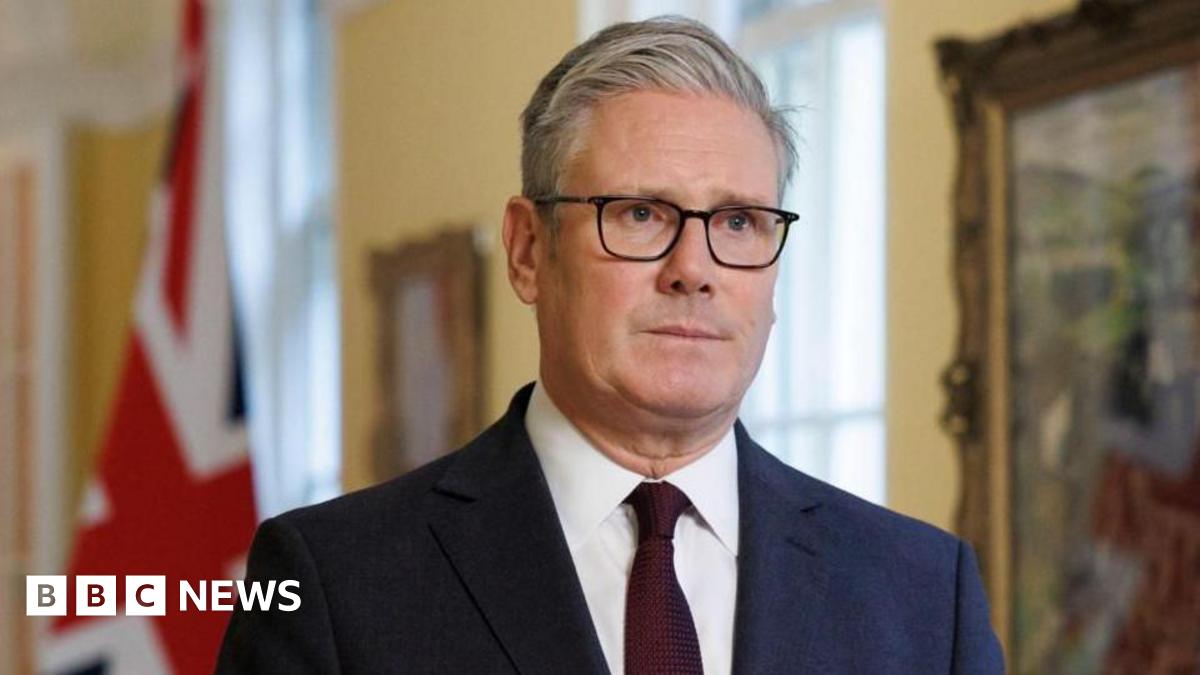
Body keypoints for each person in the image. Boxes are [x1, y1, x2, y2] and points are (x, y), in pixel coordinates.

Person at [217, 16, 1003, 675]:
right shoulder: (333, 581)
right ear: (529, 251)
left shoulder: (927, 595)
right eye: (639, 214)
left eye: (738, 222)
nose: (693, 270)